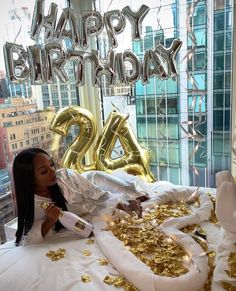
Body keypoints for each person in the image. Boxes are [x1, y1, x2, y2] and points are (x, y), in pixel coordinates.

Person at [13, 148, 145, 245]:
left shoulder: (65, 175)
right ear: (28, 178)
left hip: (90, 180)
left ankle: (136, 195)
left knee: (134, 193)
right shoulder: (33, 205)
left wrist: (124, 205)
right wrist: (49, 222)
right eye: (44, 171)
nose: (52, 171)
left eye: (51, 164)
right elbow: (27, 239)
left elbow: (98, 195)